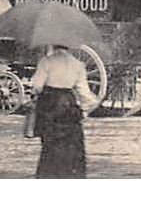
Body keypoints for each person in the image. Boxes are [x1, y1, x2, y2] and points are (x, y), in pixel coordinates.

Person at [25, 43, 95, 178]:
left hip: (49, 103)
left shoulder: (46, 61)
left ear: (53, 44)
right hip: (68, 103)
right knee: (71, 145)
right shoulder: (78, 64)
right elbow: (84, 91)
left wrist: (34, 91)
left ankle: (49, 175)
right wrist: (88, 108)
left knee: (50, 144)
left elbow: (37, 86)